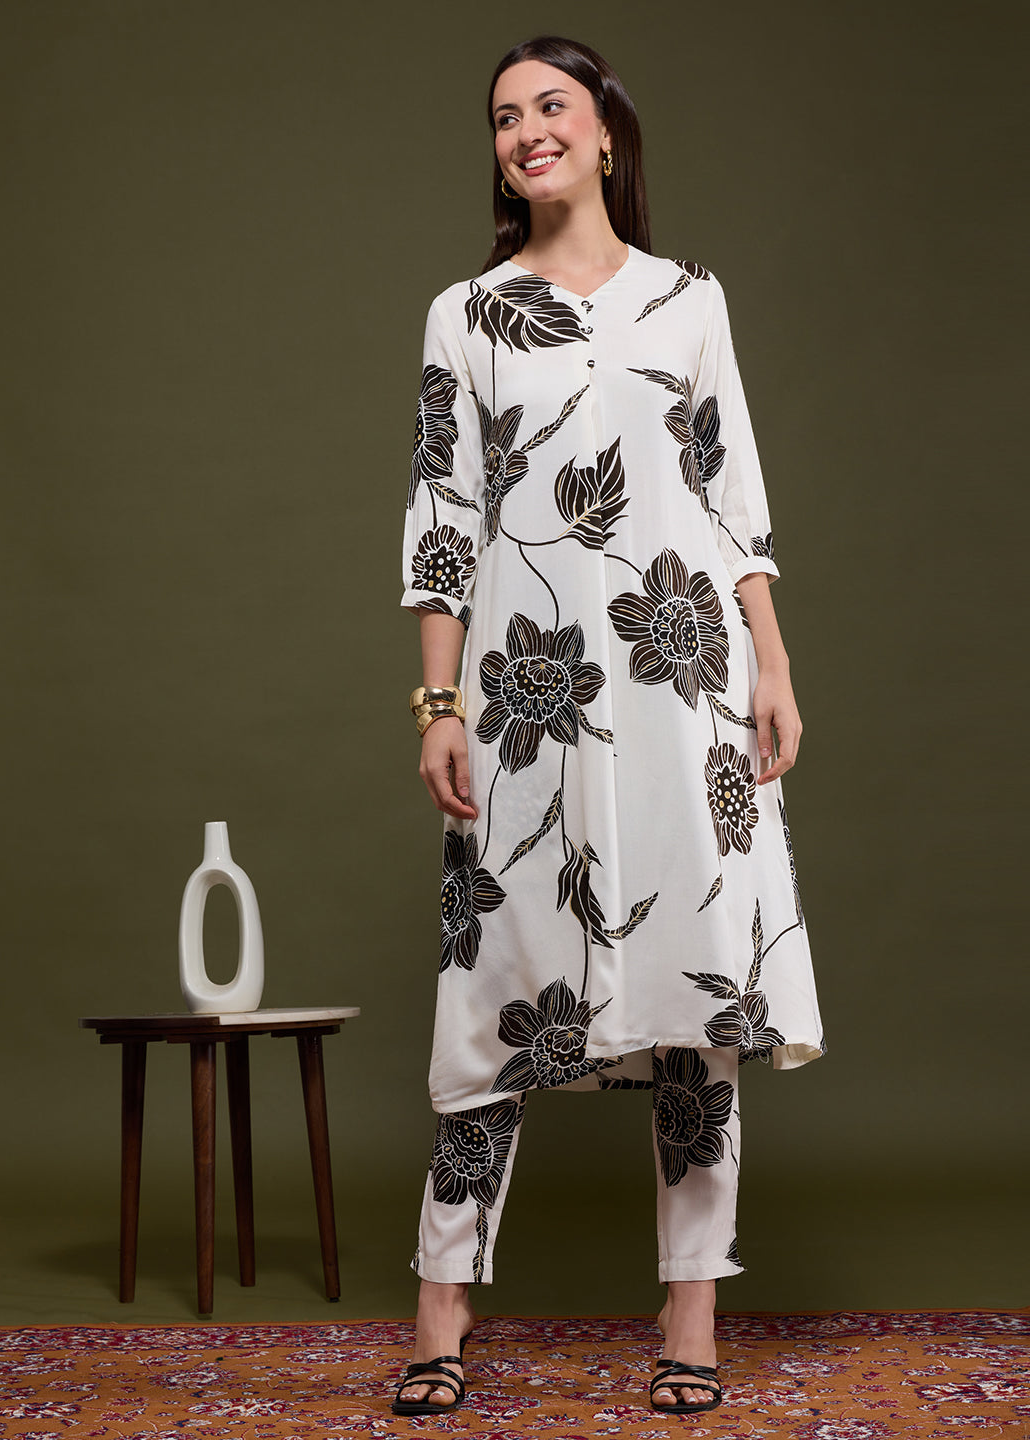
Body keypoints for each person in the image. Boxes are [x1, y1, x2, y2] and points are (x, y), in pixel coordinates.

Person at [395, 33, 826, 1417]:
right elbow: (443, 514)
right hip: (527, 697)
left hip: (683, 678)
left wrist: (771, 662)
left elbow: (729, 492)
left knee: (698, 995)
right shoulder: (466, 315)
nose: (527, 129)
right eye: (505, 115)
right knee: (492, 991)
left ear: (604, 134)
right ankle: (443, 1304)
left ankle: (691, 1308)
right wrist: (439, 700)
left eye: (552, 106)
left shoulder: (689, 301)